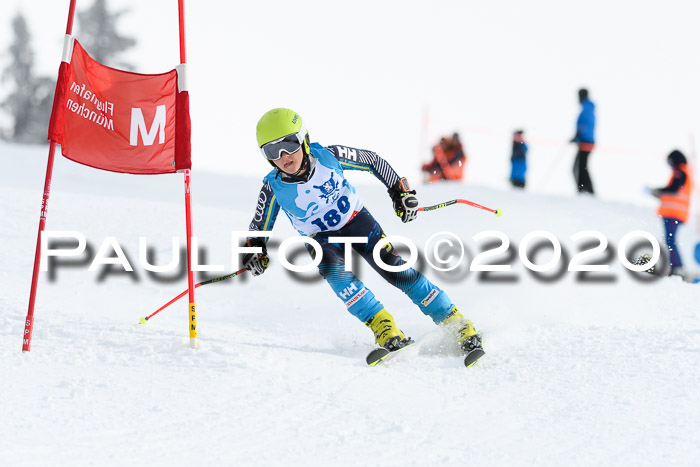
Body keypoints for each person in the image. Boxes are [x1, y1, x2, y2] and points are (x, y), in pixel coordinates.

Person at [243, 108, 484, 365]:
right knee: (342, 282)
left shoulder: (328, 156)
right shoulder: (273, 186)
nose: (283, 156)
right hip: (319, 239)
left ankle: (454, 321)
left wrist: (399, 192)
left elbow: (372, 161)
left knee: (395, 269)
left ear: (303, 139)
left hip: (356, 221)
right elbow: (259, 224)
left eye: (289, 145)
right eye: (272, 151)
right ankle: (385, 329)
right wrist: (254, 249)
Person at [649, 150, 693, 278]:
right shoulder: (680, 172)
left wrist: (659, 191)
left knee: (670, 239)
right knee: (669, 239)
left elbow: (674, 189)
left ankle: (677, 267)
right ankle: (674, 266)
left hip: (674, 213)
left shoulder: (680, 172)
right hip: (671, 213)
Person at [570, 88, 596, 194]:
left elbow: (584, 125)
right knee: (581, 166)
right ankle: (586, 189)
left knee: (580, 167)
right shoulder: (588, 107)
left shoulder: (587, 108)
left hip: (586, 141)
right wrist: (576, 137)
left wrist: (577, 135)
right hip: (585, 141)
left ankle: (585, 190)